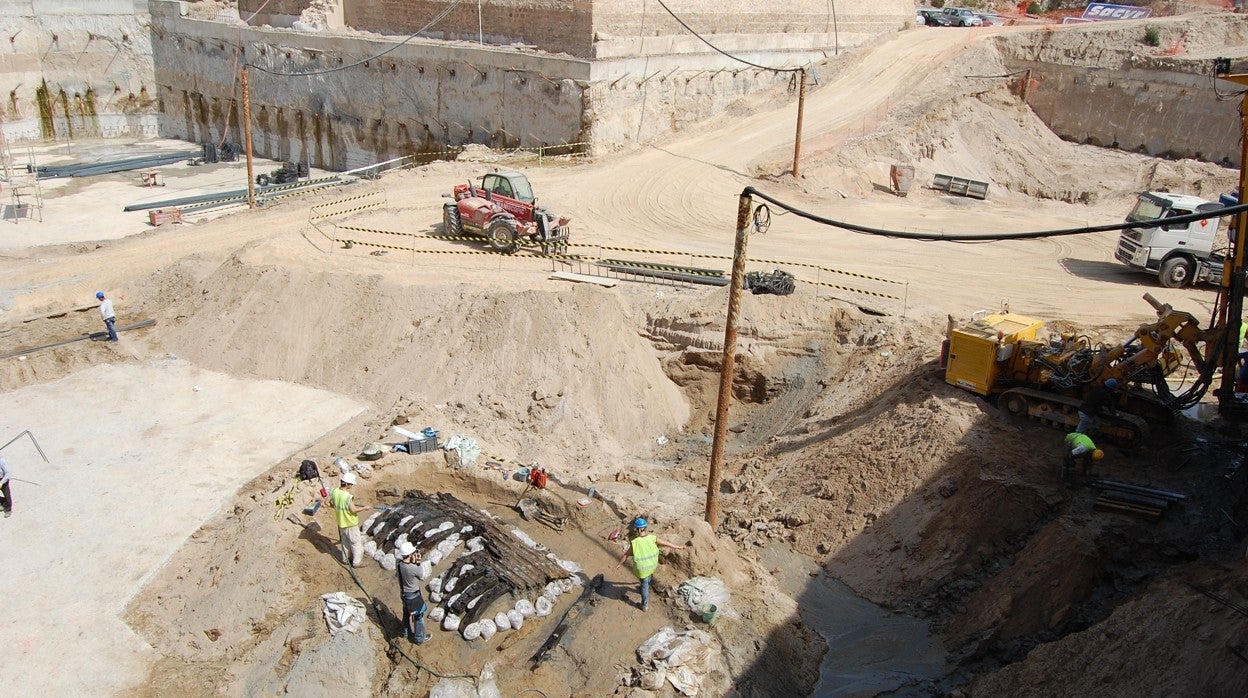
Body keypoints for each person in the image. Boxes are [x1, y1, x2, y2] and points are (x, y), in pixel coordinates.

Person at [613, 517, 685, 612]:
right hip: (652, 566)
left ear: (637, 529)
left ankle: (644, 605)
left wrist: (618, 565)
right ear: (645, 528)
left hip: (642, 570)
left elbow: (626, 555)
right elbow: (666, 543)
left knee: (644, 586)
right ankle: (646, 587)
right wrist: (679, 547)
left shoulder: (635, 543)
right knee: (647, 581)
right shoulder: (652, 538)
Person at [329, 472, 370, 567]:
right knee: (356, 543)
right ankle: (357, 562)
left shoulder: (334, 491)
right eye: (351, 484)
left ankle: (345, 559)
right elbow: (353, 510)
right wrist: (365, 508)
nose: (351, 486)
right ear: (347, 484)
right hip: (350, 524)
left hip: (341, 523)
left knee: (345, 542)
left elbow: (327, 503)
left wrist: (336, 506)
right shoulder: (348, 497)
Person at [396, 541, 431, 644]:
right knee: (418, 618)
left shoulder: (399, 563)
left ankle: (405, 632)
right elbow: (421, 574)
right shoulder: (412, 568)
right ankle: (419, 638)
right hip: (413, 596)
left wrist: (413, 560)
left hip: (404, 594)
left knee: (406, 614)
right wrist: (418, 562)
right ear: (410, 554)